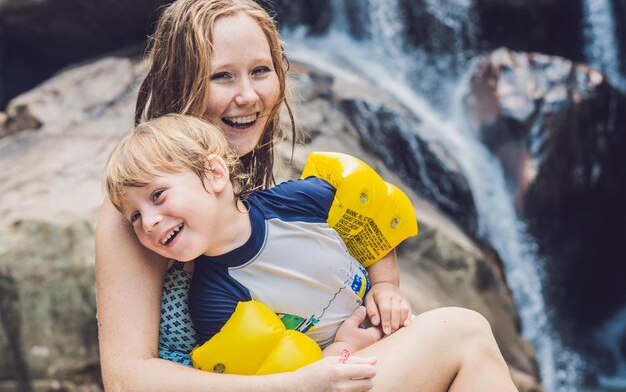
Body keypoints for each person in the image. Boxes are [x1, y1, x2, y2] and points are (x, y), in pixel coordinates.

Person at [95, 0, 519, 392]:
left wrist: (374, 306)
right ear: (181, 83)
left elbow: (362, 223)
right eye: (222, 76)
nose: (248, 95)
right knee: (462, 333)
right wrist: (297, 383)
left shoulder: (254, 194)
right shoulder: (139, 216)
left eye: (260, 71)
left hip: (314, 371)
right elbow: (127, 380)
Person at [103, 114, 410, 354]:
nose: (149, 222)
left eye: (157, 195)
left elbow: (371, 225)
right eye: (135, 216)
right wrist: (343, 351)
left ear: (215, 174)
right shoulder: (215, 300)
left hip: (398, 329)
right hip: (353, 374)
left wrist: (385, 286)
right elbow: (276, 373)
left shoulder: (299, 200)